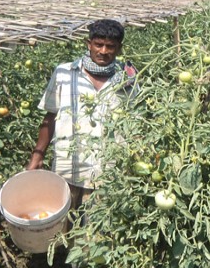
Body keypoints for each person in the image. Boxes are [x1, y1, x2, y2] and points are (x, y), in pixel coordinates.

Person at [27, 19, 136, 213]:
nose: (103, 51)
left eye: (110, 46)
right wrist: (38, 154)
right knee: (60, 228)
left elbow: (135, 121)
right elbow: (50, 116)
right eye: (98, 45)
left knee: (96, 237)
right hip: (68, 168)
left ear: (120, 49)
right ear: (89, 44)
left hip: (109, 172)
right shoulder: (64, 73)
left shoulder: (128, 79)